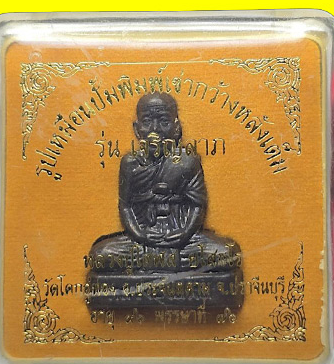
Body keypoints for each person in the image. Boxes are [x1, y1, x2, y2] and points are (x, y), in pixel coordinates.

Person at [89, 93, 241, 273]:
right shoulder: (130, 163)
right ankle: (169, 262)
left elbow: (197, 205)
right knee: (100, 255)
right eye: (147, 122)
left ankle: (157, 261)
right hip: (143, 238)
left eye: (164, 122)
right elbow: (126, 206)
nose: (155, 130)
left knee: (228, 253)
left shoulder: (187, 161)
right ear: (137, 129)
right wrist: (140, 235)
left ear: (176, 128)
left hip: (182, 239)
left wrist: (184, 234)